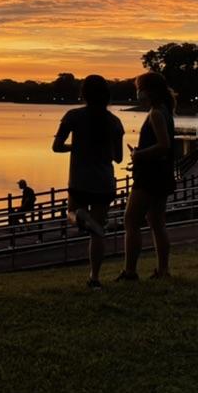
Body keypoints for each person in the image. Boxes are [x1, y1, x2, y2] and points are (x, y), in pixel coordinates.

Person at [52, 75, 124, 289]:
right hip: (104, 182)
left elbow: (56, 147)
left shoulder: (73, 116)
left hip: (80, 180)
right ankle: (94, 277)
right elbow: (118, 158)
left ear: (83, 95)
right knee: (98, 230)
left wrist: (75, 147)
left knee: (72, 213)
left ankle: (81, 217)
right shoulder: (114, 122)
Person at [119, 71, 177, 281]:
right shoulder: (165, 111)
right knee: (156, 221)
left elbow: (163, 145)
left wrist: (138, 154)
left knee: (131, 220)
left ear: (148, 91)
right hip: (162, 175)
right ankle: (163, 270)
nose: (137, 93)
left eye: (139, 89)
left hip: (150, 177)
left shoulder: (156, 113)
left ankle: (130, 271)